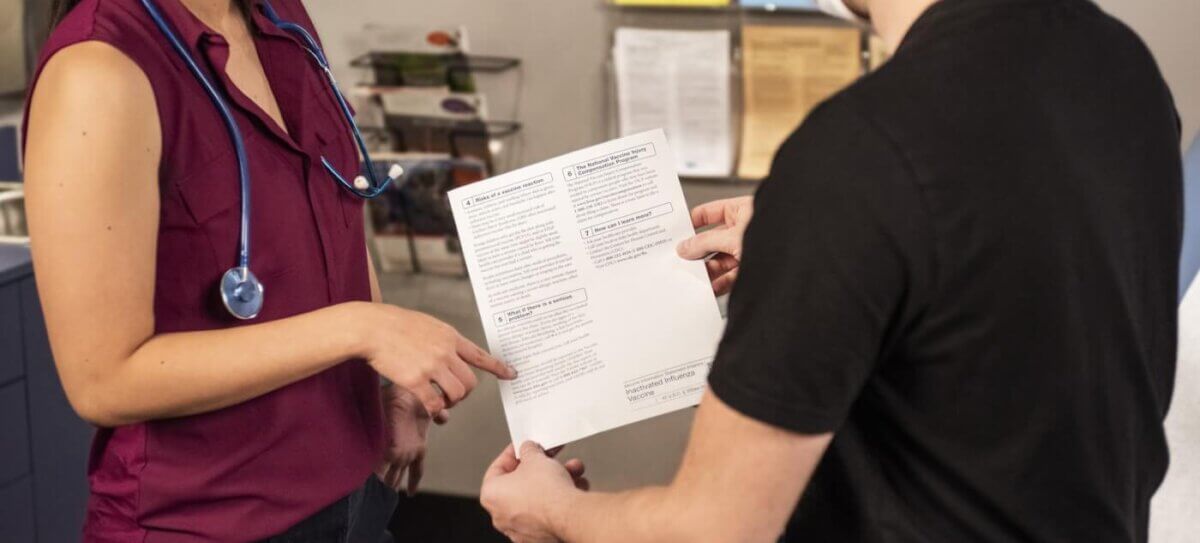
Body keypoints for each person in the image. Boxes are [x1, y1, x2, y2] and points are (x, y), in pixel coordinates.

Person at [479, 0, 1183, 541]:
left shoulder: (859, 151)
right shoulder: (1119, 66)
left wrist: (556, 511)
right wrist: (830, 241)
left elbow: (714, 528)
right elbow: (1010, 253)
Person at [22, 0, 515, 540]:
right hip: (208, 523)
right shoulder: (98, 68)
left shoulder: (280, 18)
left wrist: (385, 386)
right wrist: (362, 330)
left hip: (356, 502)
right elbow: (103, 380)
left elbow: (336, 204)